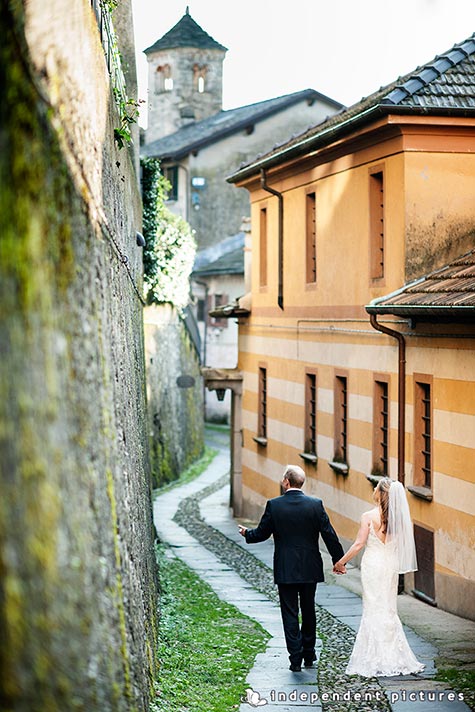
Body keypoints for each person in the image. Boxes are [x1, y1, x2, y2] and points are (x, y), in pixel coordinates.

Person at [238, 464, 345, 672]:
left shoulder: (275, 505)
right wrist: (338, 560)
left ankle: (295, 659)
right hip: (309, 567)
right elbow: (329, 534)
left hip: (286, 568)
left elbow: (262, 533)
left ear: (286, 482)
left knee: (289, 613)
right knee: (308, 610)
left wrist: (246, 534)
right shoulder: (315, 505)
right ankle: (309, 654)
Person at [333, 477, 425, 677]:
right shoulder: (398, 519)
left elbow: (358, 544)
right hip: (389, 564)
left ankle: (375, 658)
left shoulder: (368, 516)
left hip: (373, 565)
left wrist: (341, 562)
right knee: (388, 608)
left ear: (380, 493)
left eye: (376, 487)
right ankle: (395, 657)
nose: (374, 490)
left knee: (373, 607)